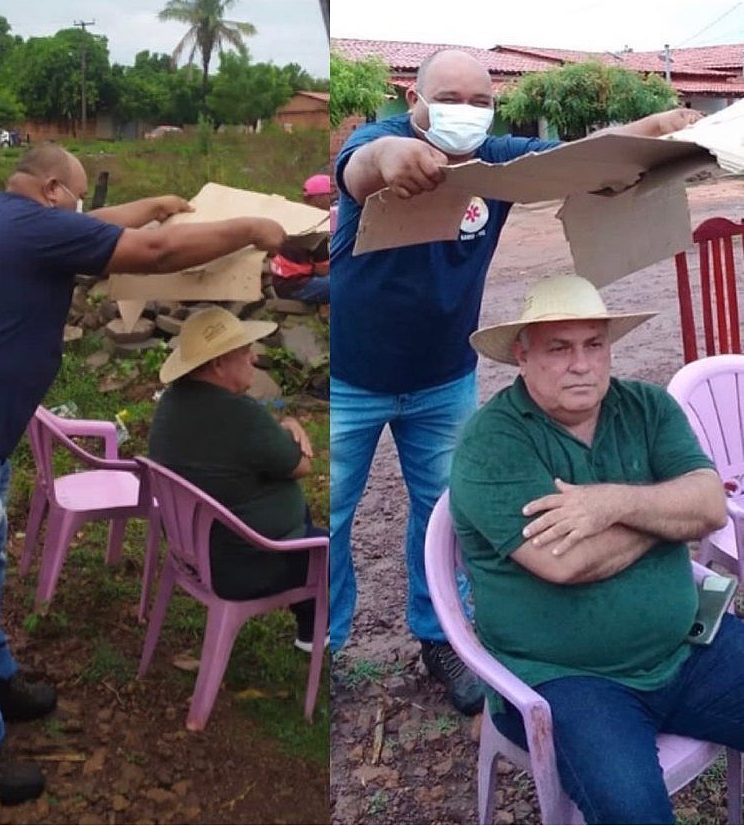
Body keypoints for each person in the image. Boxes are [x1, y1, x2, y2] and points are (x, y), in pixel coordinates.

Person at [329, 46, 704, 715]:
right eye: (449, 97)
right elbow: (357, 169)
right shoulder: (380, 139)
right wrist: (390, 163)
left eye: (480, 102)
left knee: (438, 514)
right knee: (331, 514)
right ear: (413, 99)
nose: (465, 113)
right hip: (349, 377)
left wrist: (661, 130)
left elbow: (581, 158)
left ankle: (439, 637)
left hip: (444, 376)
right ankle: (324, 645)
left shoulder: (496, 161)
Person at [0, 143, 287, 805]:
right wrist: (251, 229)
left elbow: (104, 224)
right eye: (79, 198)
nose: (84, 211)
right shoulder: (30, 228)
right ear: (55, 190)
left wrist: (154, 205)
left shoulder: (9, 219)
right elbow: (154, 254)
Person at [449, 274, 744, 825]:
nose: (581, 364)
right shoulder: (493, 443)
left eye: (594, 344)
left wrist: (610, 503)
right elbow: (565, 562)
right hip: (567, 679)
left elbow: (708, 507)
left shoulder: (647, 408)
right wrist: (665, 515)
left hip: (688, 648)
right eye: (559, 348)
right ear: (523, 355)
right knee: (637, 816)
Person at [149, 306, 327, 650]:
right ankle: (315, 627)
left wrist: (284, 425)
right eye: (245, 351)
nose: (254, 357)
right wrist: (292, 426)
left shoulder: (172, 404)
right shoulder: (241, 415)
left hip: (194, 554)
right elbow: (301, 466)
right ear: (218, 364)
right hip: (247, 565)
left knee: (302, 517)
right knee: (328, 549)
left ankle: (309, 627)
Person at [270, 173, 333, 305]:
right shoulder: (315, 226)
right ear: (319, 198)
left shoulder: (294, 216)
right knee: (346, 284)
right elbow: (323, 270)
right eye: (329, 195)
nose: (332, 199)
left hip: (281, 282)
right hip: (295, 286)